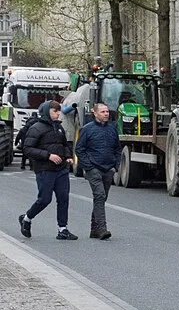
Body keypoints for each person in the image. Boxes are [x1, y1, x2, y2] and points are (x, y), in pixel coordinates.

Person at [18, 101, 77, 241]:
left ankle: (63, 229)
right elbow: (27, 149)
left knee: (63, 198)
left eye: (58, 111)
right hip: (45, 170)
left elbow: (64, 145)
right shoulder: (36, 128)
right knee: (44, 200)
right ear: (46, 111)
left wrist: (68, 156)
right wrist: (48, 156)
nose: (58, 114)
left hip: (61, 169)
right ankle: (26, 218)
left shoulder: (59, 128)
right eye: (55, 111)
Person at [74, 100, 122, 240]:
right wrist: (89, 167)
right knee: (99, 195)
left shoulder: (112, 128)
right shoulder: (87, 129)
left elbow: (117, 149)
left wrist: (115, 166)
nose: (106, 114)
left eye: (107, 111)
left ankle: (94, 229)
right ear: (95, 113)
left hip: (108, 169)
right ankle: (102, 229)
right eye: (103, 112)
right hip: (94, 169)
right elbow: (79, 149)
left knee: (101, 198)